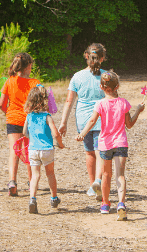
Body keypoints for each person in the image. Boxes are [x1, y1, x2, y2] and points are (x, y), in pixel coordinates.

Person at [76, 71, 145, 220]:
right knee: (120, 175)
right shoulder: (124, 103)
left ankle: (106, 204)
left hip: (105, 145)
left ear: (101, 87)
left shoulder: (100, 104)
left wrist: (83, 133)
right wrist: (138, 111)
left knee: (106, 175)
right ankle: (121, 204)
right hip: (121, 143)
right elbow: (129, 125)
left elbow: (92, 121)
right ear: (117, 86)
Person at [58, 43, 107, 199]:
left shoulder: (77, 76)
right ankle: (98, 181)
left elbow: (69, 101)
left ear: (86, 56)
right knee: (100, 153)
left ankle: (93, 185)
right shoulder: (107, 76)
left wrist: (63, 122)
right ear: (102, 58)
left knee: (89, 153)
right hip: (101, 118)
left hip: (83, 120)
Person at [0, 52, 41, 196]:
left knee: (14, 150)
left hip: (13, 119)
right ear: (29, 66)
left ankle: (12, 181)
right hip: (30, 121)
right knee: (28, 150)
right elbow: (41, 103)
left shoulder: (9, 81)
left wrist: (8, 112)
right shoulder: (35, 83)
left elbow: (1, 104)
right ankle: (31, 182)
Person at [22, 85, 65, 214]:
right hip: (46, 149)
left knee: (35, 175)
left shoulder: (29, 116)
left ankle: (32, 199)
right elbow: (55, 133)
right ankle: (53, 198)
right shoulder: (47, 116)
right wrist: (60, 143)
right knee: (50, 173)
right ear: (45, 100)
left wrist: (33, 139)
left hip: (33, 149)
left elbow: (24, 132)